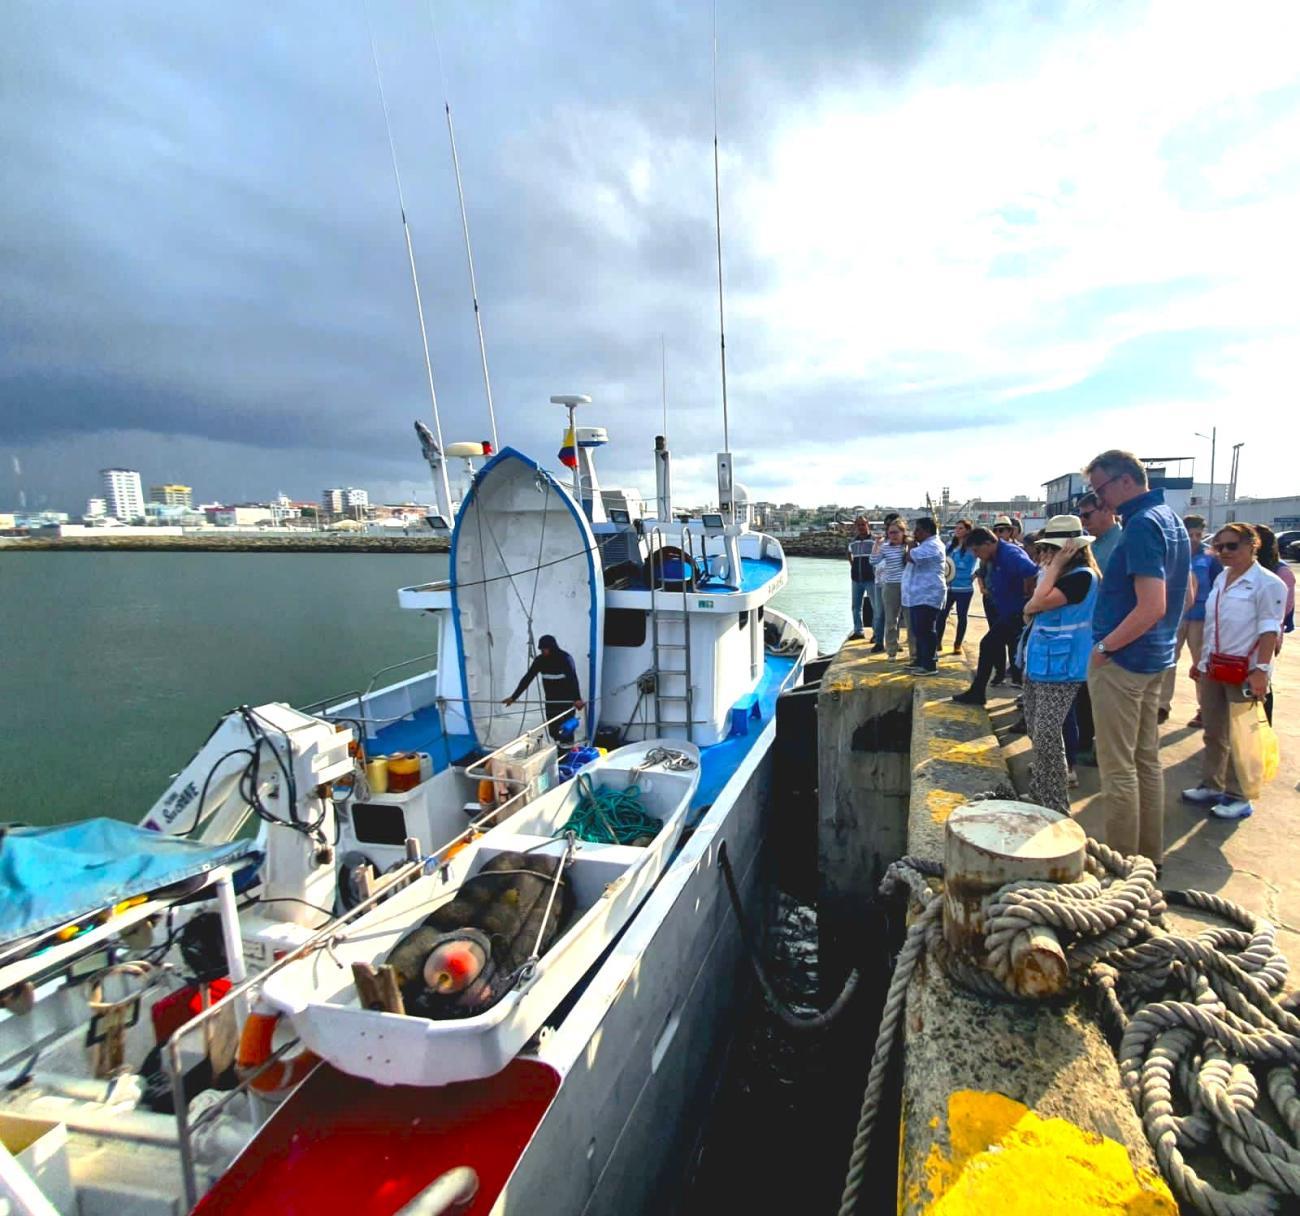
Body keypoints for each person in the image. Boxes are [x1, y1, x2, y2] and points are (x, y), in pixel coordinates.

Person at [1084, 449, 1190, 865]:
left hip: (1124, 662)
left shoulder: (1142, 525)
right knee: (1146, 760)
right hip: (1154, 660)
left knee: (1117, 769)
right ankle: (1149, 860)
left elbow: (1152, 605)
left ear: (1125, 481)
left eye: (1101, 489)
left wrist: (1105, 647)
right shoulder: (1170, 520)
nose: (1099, 499)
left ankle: (1121, 865)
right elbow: (1188, 592)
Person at [1181, 524, 1285, 820]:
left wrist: (1261, 671)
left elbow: (1269, 629)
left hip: (1245, 671)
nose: (1224, 552)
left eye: (1232, 546)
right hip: (1215, 666)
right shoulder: (1222, 578)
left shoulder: (1268, 583)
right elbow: (1213, 625)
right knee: (1214, 731)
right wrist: (1201, 661)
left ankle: (1239, 795)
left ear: (1252, 546)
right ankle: (1212, 784)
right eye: (1220, 547)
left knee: (1243, 736)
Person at [1019, 518, 1101, 812]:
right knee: (1036, 729)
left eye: (1052, 550)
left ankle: (1056, 803)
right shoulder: (1060, 575)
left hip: (1062, 665)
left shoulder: (1080, 577)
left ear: (1069, 549)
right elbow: (1032, 606)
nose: (1045, 555)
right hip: (1041, 660)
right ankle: (1041, 791)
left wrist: (1054, 567)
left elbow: (1037, 603)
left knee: (1048, 734)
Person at [951, 526, 1039, 705]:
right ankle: (979, 691)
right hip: (1007, 612)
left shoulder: (1010, 554)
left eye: (977, 550)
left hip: (1018, 614)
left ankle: (982, 692)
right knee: (995, 647)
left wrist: (1028, 596)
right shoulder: (995, 555)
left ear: (988, 543)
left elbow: (1033, 572)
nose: (976, 555)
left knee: (996, 647)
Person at [1161, 514, 1220, 728]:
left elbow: (1218, 586)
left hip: (1201, 619)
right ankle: (1161, 705)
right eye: (1190, 534)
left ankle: (1204, 709)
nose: (1194, 538)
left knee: (1201, 664)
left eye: (1198, 534)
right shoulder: (1173, 555)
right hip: (1175, 617)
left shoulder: (1211, 558)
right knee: (1168, 661)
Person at [502, 634, 585, 740]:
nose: (543, 652)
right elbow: (527, 678)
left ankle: (566, 753)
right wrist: (514, 697)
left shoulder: (565, 659)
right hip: (550, 702)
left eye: (545, 649)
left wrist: (577, 698)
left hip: (566, 702)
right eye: (541, 649)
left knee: (566, 731)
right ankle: (559, 750)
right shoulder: (540, 661)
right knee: (553, 731)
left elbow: (573, 679)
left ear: (552, 647)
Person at [1253, 524, 1295, 726]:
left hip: (1267, 637)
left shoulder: (1281, 573)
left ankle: (1262, 727)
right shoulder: (1245, 571)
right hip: (1244, 637)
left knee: (1262, 683)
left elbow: (1282, 611)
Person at [903, 517, 947, 674]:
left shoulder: (933, 545)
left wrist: (909, 545)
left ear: (927, 531)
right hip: (919, 595)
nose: (915, 533)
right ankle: (921, 661)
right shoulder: (924, 545)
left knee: (926, 630)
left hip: (928, 595)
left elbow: (909, 557)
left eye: (918, 530)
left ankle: (929, 664)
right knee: (919, 630)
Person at [870, 518, 908, 659]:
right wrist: (877, 545)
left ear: (903, 532)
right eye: (890, 533)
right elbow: (873, 561)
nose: (893, 535)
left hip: (908, 585)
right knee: (891, 620)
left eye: (896, 532)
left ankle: (915, 655)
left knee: (910, 621)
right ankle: (891, 652)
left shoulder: (909, 546)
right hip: (890, 585)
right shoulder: (886, 547)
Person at [939, 519, 976, 653]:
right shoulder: (950, 545)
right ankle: (938, 642)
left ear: (967, 530)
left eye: (961, 528)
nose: (957, 530)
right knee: (941, 615)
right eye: (956, 528)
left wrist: (974, 576)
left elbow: (980, 564)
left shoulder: (972, 547)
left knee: (962, 616)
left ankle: (958, 644)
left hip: (964, 587)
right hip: (949, 586)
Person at [1078, 491, 1123, 572]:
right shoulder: (1086, 545)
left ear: (1106, 510)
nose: (1082, 521)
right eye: (1080, 517)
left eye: (1086, 516)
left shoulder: (1125, 541)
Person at [847, 515, 876, 641]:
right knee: (855, 606)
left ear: (867, 524)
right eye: (858, 525)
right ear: (855, 527)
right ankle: (858, 631)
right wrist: (853, 566)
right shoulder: (853, 542)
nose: (861, 527)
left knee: (876, 607)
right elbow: (849, 554)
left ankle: (877, 633)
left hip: (872, 579)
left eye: (863, 524)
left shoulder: (875, 541)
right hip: (856, 579)